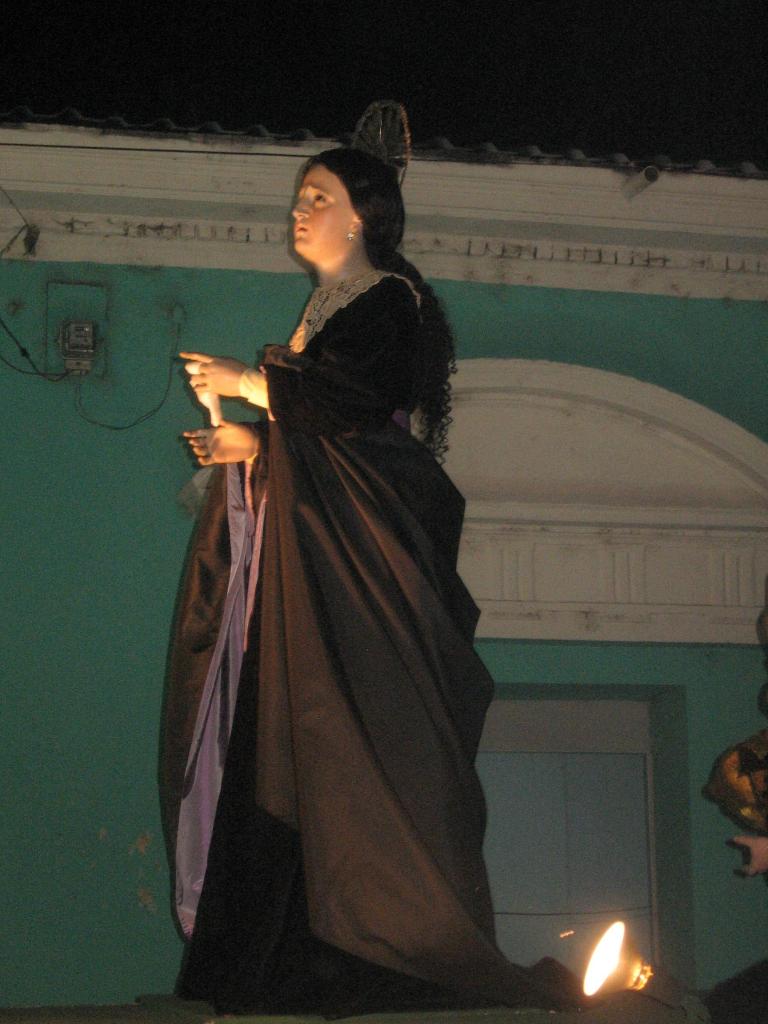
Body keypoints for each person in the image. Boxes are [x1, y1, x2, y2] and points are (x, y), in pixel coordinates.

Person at [162, 144, 575, 1016]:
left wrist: (251, 385)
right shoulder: (324, 312)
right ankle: (274, 963)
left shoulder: (387, 301)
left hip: (363, 562)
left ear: (363, 217)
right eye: (299, 196)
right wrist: (248, 443)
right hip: (318, 561)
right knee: (289, 733)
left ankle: (377, 949)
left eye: (318, 196)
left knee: (346, 730)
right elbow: (320, 437)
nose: (299, 208)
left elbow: (350, 412)